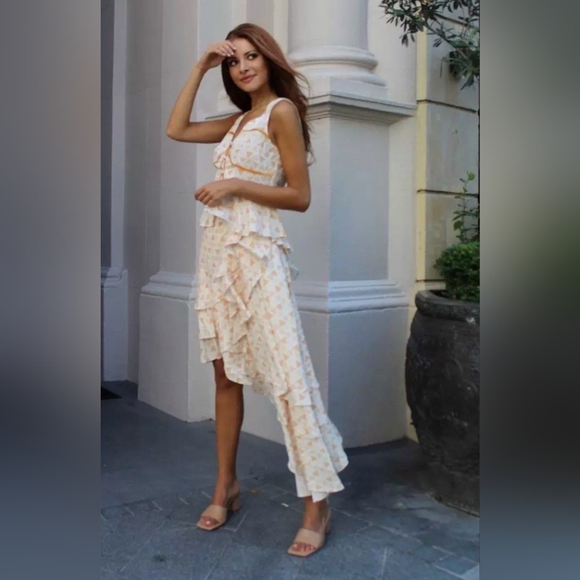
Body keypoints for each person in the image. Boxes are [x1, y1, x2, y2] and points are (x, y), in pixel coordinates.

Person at [166, 22, 348, 557]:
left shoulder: (280, 113)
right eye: (233, 61)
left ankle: (317, 504)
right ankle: (226, 485)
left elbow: (300, 196)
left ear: (269, 60)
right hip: (219, 259)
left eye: (251, 57)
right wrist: (201, 66)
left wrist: (236, 184)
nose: (242, 67)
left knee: (290, 376)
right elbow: (176, 129)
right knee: (225, 375)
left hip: (260, 256)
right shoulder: (237, 120)